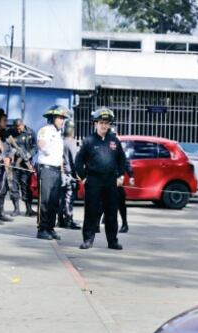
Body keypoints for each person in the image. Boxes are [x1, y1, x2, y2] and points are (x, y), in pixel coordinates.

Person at [73, 107, 129, 250]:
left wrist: (121, 176)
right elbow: (78, 161)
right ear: (95, 124)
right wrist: (84, 178)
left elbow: (122, 159)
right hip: (93, 181)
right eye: (101, 122)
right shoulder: (89, 141)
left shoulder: (114, 141)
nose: (104, 125)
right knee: (91, 211)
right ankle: (88, 240)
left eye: (107, 123)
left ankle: (112, 241)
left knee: (111, 211)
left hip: (111, 181)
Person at [35, 105, 70, 240]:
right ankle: (42, 228)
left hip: (56, 170)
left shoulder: (58, 134)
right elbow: (41, 143)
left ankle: (50, 228)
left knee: (54, 202)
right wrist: (47, 150)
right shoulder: (46, 130)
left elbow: (59, 155)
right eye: (60, 118)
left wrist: (62, 172)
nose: (62, 121)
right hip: (46, 169)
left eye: (63, 118)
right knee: (45, 200)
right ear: (52, 118)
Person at [58, 119, 81, 230]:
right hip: (69, 174)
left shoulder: (61, 141)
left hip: (61, 173)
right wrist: (78, 174)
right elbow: (75, 161)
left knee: (62, 198)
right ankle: (68, 220)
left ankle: (61, 220)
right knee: (69, 198)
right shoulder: (71, 142)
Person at [12, 119, 37, 216]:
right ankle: (16, 209)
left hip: (26, 164)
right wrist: (14, 152)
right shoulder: (11, 132)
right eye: (16, 128)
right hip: (14, 164)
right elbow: (6, 144)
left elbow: (35, 147)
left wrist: (29, 154)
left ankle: (29, 209)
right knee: (14, 186)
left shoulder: (30, 132)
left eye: (20, 128)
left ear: (23, 125)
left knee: (26, 186)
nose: (18, 130)